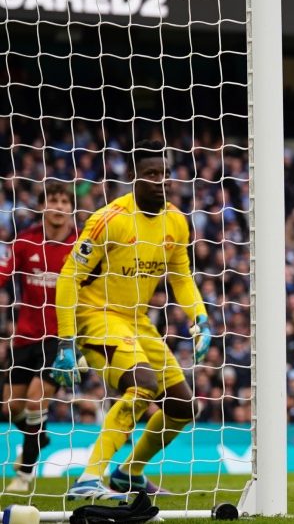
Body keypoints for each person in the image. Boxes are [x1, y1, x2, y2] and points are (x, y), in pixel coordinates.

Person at [53, 140, 212, 500]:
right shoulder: (109, 220)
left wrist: (201, 318)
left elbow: (182, 277)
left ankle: (129, 473)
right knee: (142, 383)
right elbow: (68, 278)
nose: (162, 182)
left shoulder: (176, 221)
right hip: (97, 316)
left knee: (183, 406)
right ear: (134, 178)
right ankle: (90, 478)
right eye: (152, 174)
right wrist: (65, 342)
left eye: (166, 174)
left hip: (137, 321)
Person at [0, 181, 77, 492]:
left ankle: (25, 473)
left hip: (60, 339)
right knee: (11, 407)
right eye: (52, 201)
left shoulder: (80, 247)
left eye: (63, 202)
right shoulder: (24, 242)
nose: (58, 207)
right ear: (43, 207)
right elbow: (3, 275)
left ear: (71, 209)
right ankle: (40, 437)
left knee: (35, 400)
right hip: (25, 337)